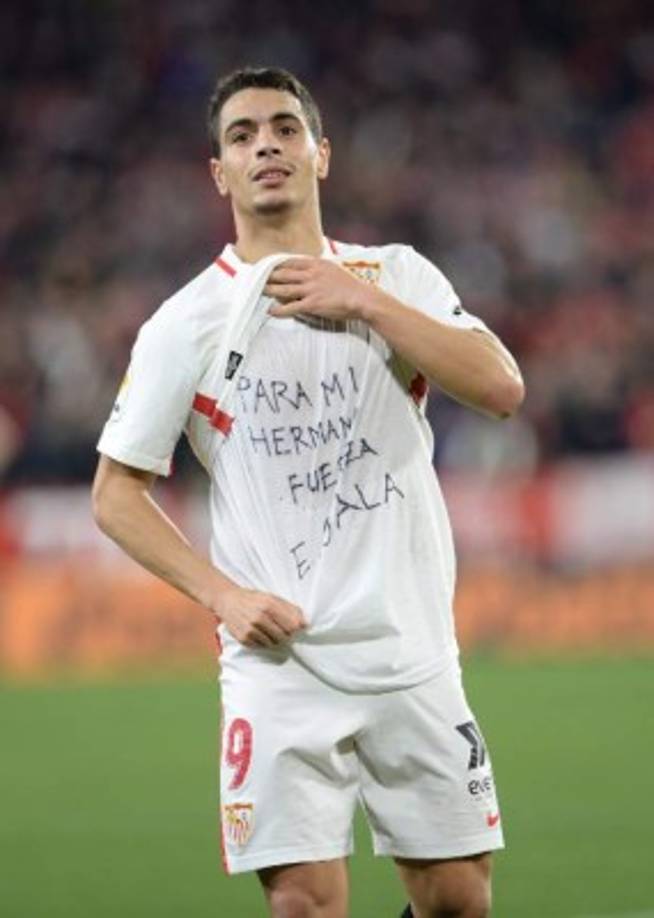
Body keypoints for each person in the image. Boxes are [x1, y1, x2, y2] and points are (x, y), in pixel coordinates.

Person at [92, 66, 524, 918]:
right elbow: (115, 492)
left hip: (409, 646)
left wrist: (359, 300)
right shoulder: (186, 323)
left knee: (458, 903)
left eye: (286, 129)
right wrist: (222, 596)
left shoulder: (395, 274)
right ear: (219, 172)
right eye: (243, 135)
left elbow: (502, 388)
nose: (267, 147)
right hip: (279, 663)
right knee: (305, 907)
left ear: (320, 155)